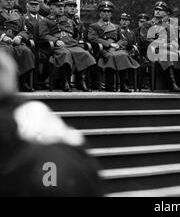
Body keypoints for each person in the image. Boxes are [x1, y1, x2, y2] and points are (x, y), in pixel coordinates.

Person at [0, 50, 103, 197]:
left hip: (45, 179)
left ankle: (73, 81)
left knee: (84, 54)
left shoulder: (24, 116)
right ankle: (65, 82)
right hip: (73, 178)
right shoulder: (37, 110)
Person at [39, 0, 96, 92]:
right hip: (56, 46)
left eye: (62, 6)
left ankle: (82, 81)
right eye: (58, 6)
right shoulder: (45, 21)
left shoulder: (69, 20)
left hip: (70, 43)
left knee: (85, 54)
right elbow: (43, 35)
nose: (61, 8)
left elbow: (73, 34)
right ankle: (65, 82)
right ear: (51, 8)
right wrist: (55, 40)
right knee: (65, 54)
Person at [139, 1, 180, 92]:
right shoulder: (147, 24)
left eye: (161, 10)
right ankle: (172, 84)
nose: (158, 11)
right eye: (156, 9)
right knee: (167, 54)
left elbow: (174, 41)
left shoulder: (168, 26)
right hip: (151, 50)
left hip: (166, 49)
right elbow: (145, 39)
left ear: (165, 13)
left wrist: (172, 45)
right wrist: (162, 44)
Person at [88, 1, 140, 92]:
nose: (106, 14)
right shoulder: (94, 26)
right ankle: (109, 85)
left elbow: (123, 40)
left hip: (115, 49)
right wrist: (108, 44)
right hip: (102, 50)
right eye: (104, 12)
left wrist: (117, 45)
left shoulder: (116, 27)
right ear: (100, 13)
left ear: (111, 14)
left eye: (108, 12)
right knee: (111, 56)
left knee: (124, 55)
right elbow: (92, 38)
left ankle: (124, 85)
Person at [0, 0, 36, 92]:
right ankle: (5, 84)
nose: (9, 1)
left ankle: (23, 82)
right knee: (4, 52)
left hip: (14, 43)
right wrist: (3, 36)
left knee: (25, 51)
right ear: (0, 1)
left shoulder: (19, 16)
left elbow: (25, 30)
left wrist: (19, 37)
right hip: (1, 43)